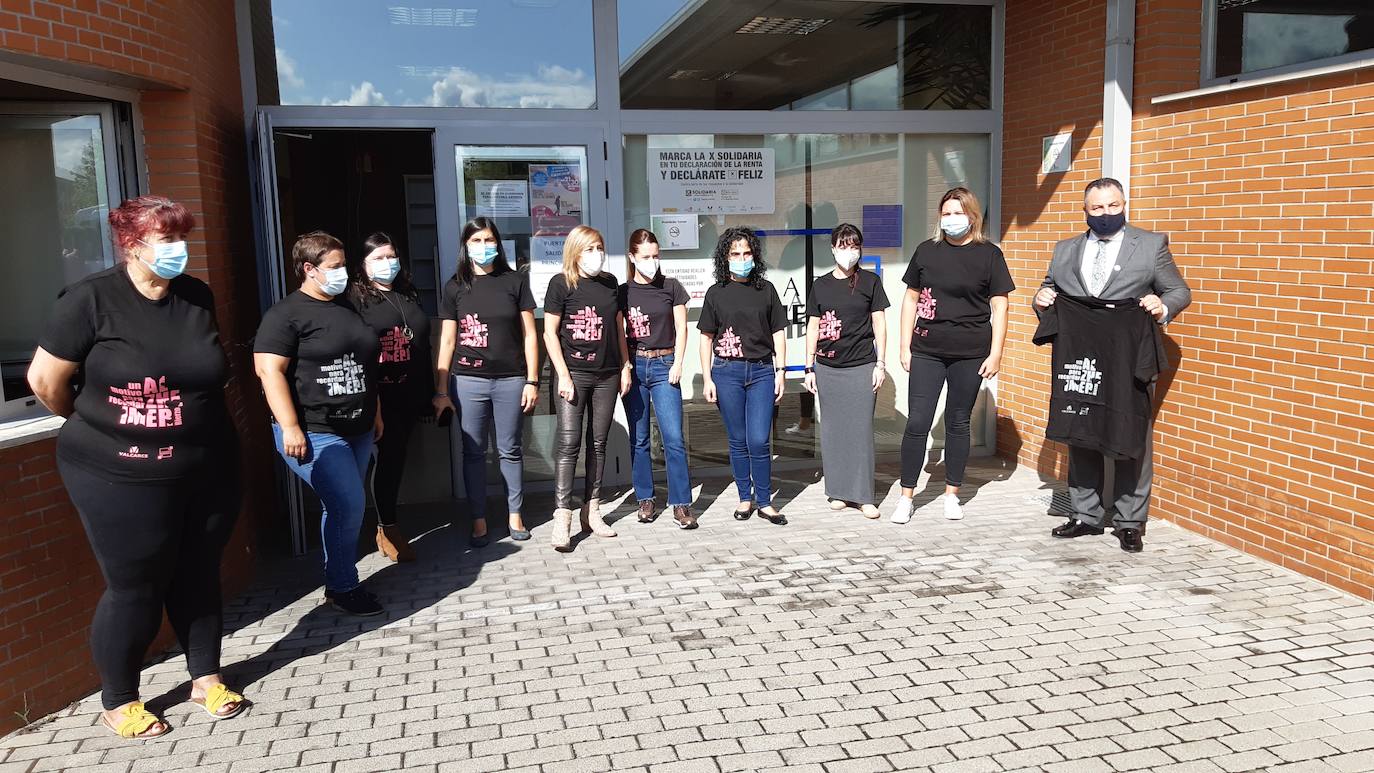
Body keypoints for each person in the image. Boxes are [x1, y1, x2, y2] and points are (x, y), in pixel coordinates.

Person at [27, 195, 244, 738]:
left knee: (198, 571)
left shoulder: (195, 296)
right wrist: (109, 424)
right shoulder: (88, 301)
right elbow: (46, 384)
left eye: (180, 237)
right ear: (130, 244)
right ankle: (120, 697)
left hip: (205, 463)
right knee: (137, 582)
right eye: (165, 239)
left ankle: (205, 678)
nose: (178, 249)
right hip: (117, 472)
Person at [1035, 177, 1191, 552]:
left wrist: (1163, 306)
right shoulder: (1065, 250)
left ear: (1124, 205)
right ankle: (1086, 516)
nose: (1106, 213)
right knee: (1080, 427)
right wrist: (1040, 300)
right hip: (1081, 352)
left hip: (1129, 354)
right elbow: (1048, 290)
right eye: (1097, 208)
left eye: (1113, 206)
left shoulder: (1151, 245)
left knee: (1131, 434)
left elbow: (1179, 290)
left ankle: (1129, 521)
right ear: (1085, 210)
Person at [254, 231, 385, 616]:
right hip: (314, 430)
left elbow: (365, 364)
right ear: (309, 269)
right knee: (349, 503)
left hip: (358, 428)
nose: (342, 272)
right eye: (334, 266)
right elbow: (268, 370)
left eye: (343, 264)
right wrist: (290, 426)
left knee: (342, 505)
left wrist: (374, 410)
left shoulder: (347, 307)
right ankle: (342, 585)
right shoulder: (285, 314)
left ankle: (338, 577)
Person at [894, 187, 1014, 524]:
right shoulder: (926, 251)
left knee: (958, 423)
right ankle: (906, 497)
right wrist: (904, 346)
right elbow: (910, 299)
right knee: (918, 422)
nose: (952, 219)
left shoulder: (989, 254)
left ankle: (951, 494)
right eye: (946, 213)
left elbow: (1000, 306)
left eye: (958, 213)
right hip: (927, 350)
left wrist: (996, 353)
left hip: (970, 353)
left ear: (972, 217)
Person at [433, 218, 539, 547]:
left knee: (510, 450)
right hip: (468, 381)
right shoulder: (455, 286)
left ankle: (515, 515)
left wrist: (532, 380)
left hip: (511, 378)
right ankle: (478, 519)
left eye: (489, 239)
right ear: (466, 246)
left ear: (498, 243)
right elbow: (447, 341)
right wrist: (441, 388)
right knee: (474, 452)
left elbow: (530, 335)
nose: (483, 246)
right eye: (477, 240)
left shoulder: (514, 280)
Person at [543, 225, 631, 551]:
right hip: (574, 374)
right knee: (568, 445)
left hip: (607, 374)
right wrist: (563, 375)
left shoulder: (609, 284)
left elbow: (618, 329)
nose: (596, 254)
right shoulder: (561, 284)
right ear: (575, 251)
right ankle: (562, 517)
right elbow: (550, 334)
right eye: (589, 248)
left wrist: (625, 365)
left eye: (599, 247)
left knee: (598, 443)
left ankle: (591, 511)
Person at [349, 232, 431, 562]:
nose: (388, 263)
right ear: (363, 265)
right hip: (377, 397)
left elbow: (423, 346)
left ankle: (387, 526)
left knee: (394, 462)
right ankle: (374, 529)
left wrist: (427, 395)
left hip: (408, 394)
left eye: (391, 256)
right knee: (374, 463)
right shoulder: (354, 299)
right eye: (379, 258)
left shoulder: (405, 294)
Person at [698, 226, 788, 525]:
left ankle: (765, 502)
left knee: (759, 440)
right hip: (727, 372)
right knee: (737, 440)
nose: (741, 258)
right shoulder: (716, 293)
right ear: (725, 257)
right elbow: (706, 337)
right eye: (735, 253)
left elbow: (778, 333)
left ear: (755, 256)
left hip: (762, 371)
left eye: (747, 253)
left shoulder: (767, 290)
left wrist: (781, 372)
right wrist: (707, 378)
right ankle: (744, 498)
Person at [803, 224, 890, 519]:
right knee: (833, 431)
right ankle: (838, 491)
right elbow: (813, 326)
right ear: (832, 248)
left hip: (862, 364)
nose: (848, 252)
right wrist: (809, 366)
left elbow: (879, 323)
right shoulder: (821, 285)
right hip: (827, 367)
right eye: (843, 245)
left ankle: (864, 496)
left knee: (861, 431)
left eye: (854, 246)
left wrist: (881, 363)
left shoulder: (870, 282)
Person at [620, 228, 695, 528]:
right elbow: (617, 332)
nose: (652, 261)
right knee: (639, 440)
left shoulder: (672, 287)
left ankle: (680, 503)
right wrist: (624, 365)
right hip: (636, 366)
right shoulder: (623, 292)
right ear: (632, 258)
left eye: (655, 256)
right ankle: (645, 499)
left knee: (673, 438)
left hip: (665, 365)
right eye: (645, 257)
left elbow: (682, 327)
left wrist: (678, 362)